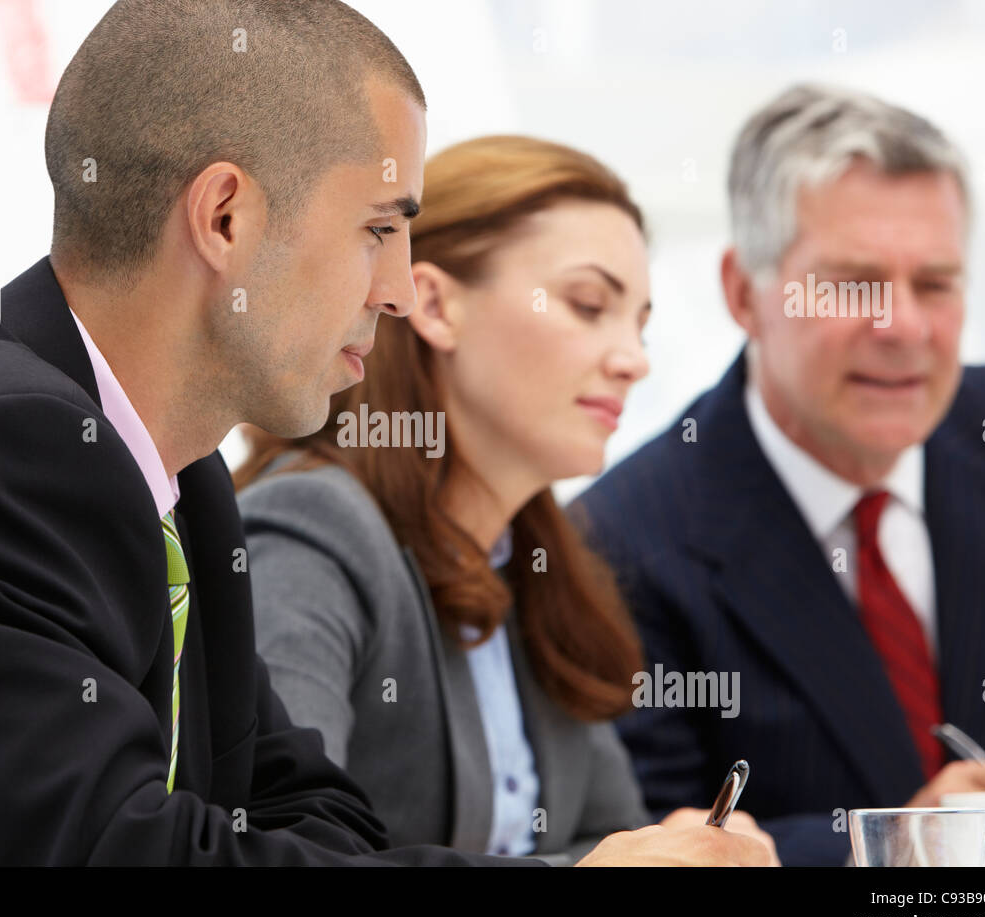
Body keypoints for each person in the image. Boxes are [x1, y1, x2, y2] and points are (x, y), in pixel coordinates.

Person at [0, 0, 769, 868]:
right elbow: (123, 855)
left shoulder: (175, 476)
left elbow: (316, 816)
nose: (401, 289)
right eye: (378, 227)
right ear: (225, 217)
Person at [235, 135, 778, 865]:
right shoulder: (311, 529)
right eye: (589, 305)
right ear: (432, 304)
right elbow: (280, 855)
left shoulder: (535, 562)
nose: (634, 360)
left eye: (641, 324)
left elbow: (595, 835)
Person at [572, 84, 985, 866]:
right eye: (852, 284)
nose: (902, 327)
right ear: (741, 293)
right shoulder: (619, 545)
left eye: (935, 284)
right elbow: (639, 843)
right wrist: (896, 843)